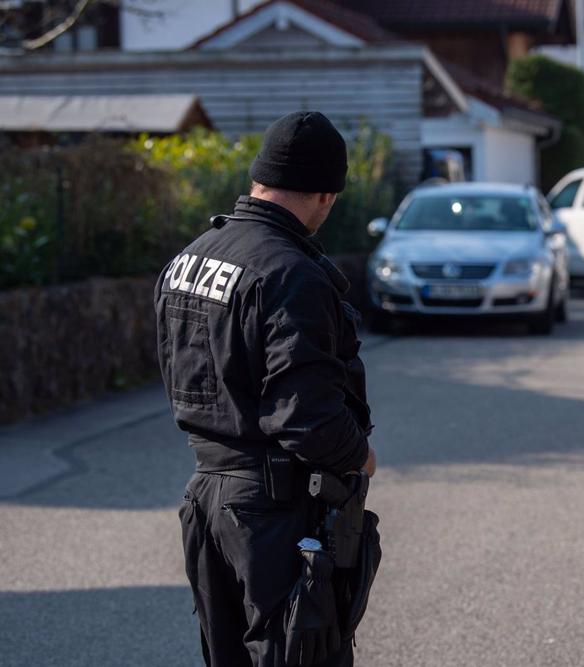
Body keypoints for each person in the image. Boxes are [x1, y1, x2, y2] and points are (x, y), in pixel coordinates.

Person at [154, 110, 376, 666]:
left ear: (258, 178)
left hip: (206, 501)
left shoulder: (190, 257)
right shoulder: (291, 274)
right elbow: (305, 416)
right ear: (325, 194)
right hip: (273, 514)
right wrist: (360, 457)